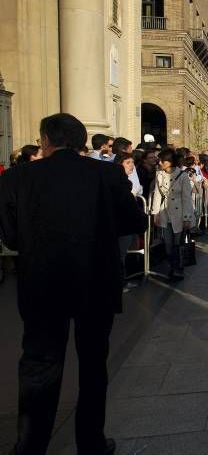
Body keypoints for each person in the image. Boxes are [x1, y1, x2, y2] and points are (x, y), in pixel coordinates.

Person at [0, 113, 146, 455]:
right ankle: (91, 443)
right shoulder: (107, 174)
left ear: (45, 141)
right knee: (94, 365)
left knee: (39, 365)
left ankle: (30, 446)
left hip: (42, 287)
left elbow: (10, 235)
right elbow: (133, 220)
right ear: (80, 141)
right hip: (95, 286)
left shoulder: (18, 177)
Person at [150, 148, 194, 280]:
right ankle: (172, 266)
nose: (159, 163)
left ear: (169, 162)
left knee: (178, 244)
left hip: (179, 214)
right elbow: (157, 195)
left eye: (162, 160)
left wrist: (187, 217)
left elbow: (187, 198)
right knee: (168, 245)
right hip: (165, 213)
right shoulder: (159, 175)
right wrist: (155, 213)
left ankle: (178, 269)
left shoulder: (183, 176)